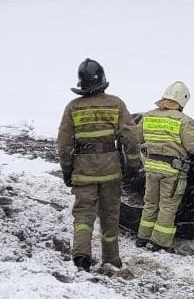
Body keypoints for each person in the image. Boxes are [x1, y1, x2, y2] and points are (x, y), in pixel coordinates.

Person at [56, 59, 142, 272]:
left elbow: (64, 145)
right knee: (110, 215)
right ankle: (111, 260)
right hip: (110, 171)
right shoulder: (116, 104)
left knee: (83, 215)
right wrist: (133, 164)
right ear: (103, 80)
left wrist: (67, 170)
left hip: (83, 172)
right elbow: (131, 137)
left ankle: (81, 257)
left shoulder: (72, 108)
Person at [136, 81, 194, 253]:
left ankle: (142, 238)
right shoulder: (184, 120)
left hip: (151, 168)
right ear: (182, 101)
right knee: (167, 206)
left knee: (150, 203)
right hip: (172, 171)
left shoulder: (148, 116)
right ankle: (158, 242)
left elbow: (137, 138)